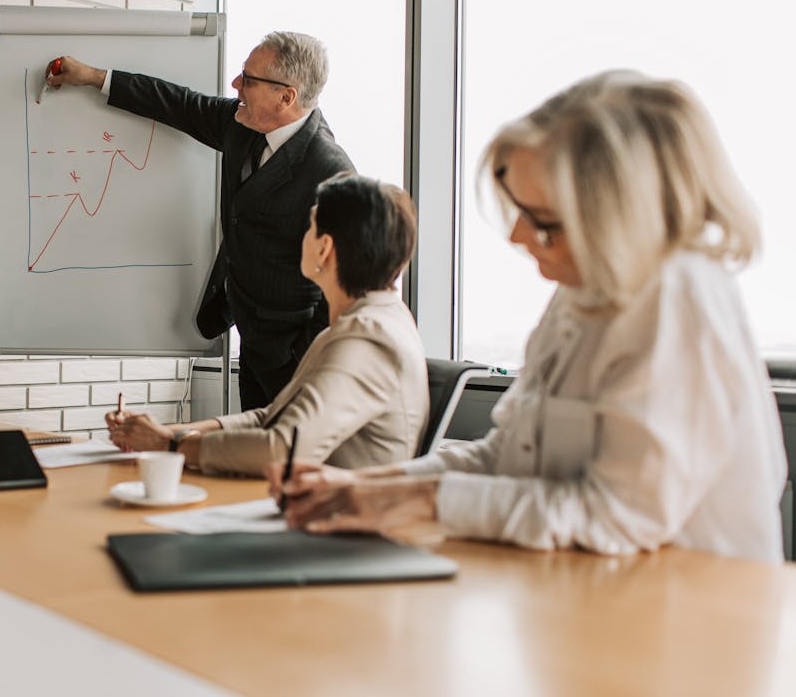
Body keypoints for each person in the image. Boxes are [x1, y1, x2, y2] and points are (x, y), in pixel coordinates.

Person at [272, 71, 788, 563]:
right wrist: (368, 485)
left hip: (686, 625)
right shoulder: (584, 290)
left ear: (616, 219)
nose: (517, 236)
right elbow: (507, 458)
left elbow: (617, 517)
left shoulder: (680, 305)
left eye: (541, 221)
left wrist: (414, 501)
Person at [46, 32, 354, 410]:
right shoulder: (243, 125)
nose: (236, 85)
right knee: (250, 464)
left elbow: (341, 290)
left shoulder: (330, 172)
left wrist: (296, 356)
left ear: (285, 96)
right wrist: (94, 77)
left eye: (248, 79)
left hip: (293, 364)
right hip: (252, 345)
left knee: (287, 465)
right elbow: (179, 104)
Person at [104, 172, 428, 478]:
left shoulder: (366, 343)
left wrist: (168, 445)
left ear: (324, 248)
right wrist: (169, 433)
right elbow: (271, 417)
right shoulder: (364, 326)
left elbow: (280, 448)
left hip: (339, 529)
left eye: (309, 226)